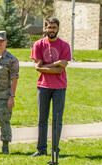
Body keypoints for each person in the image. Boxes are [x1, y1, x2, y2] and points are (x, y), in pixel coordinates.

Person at [30, 17, 71, 157]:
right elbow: (37, 68)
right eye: (49, 27)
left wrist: (45, 67)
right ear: (45, 28)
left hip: (59, 87)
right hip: (43, 86)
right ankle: (41, 149)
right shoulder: (38, 45)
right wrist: (56, 63)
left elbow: (60, 70)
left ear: (58, 29)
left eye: (54, 27)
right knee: (42, 119)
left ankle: (55, 150)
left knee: (57, 119)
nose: (51, 30)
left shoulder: (64, 45)